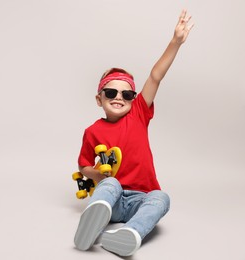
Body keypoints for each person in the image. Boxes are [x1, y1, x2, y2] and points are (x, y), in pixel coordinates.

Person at [74, 10, 194, 256]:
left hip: (142, 199)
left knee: (162, 198)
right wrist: (96, 173)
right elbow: (84, 165)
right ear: (99, 99)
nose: (119, 97)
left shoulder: (138, 113)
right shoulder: (92, 131)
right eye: (111, 93)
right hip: (114, 201)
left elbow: (155, 76)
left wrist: (175, 42)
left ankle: (130, 233)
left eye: (126, 94)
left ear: (133, 99)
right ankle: (95, 216)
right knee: (111, 183)